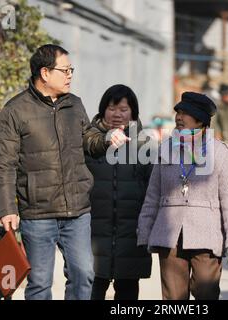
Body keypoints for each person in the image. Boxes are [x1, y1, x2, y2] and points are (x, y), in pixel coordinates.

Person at [0, 44, 129, 300]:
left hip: (77, 210)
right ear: (45, 73)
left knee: (83, 273)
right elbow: (4, 165)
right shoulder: (14, 111)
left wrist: (107, 138)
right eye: (64, 70)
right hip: (37, 212)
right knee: (40, 283)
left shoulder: (74, 104)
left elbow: (88, 139)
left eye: (70, 70)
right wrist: (7, 208)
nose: (70, 75)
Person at [137, 92, 228, 300]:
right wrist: (144, 230)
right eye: (178, 111)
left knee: (207, 292)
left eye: (185, 113)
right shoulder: (166, 148)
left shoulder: (220, 152)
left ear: (201, 120)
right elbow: (153, 194)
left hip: (206, 234)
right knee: (174, 298)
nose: (178, 117)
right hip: (169, 235)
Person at [86, 85, 152, 300]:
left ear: (133, 112)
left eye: (124, 109)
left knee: (127, 295)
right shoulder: (89, 142)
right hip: (93, 232)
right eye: (112, 108)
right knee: (92, 290)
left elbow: (153, 190)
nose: (117, 114)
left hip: (130, 234)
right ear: (103, 109)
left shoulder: (144, 145)